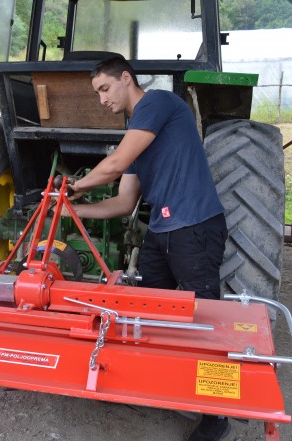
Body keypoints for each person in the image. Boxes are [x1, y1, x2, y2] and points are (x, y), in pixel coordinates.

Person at [63, 55, 230, 441]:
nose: (102, 99)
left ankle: (217, 415)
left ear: (126, 78)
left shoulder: (157, 103)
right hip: (161, 231)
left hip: (195, 227)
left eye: (105, 89)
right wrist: (73, 210)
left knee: (204, 316)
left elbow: (115, 163)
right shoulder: (138, 133)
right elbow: (122, 204)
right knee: (147, 311)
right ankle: (150, 382)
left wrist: (75, 185)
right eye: (97, 93)